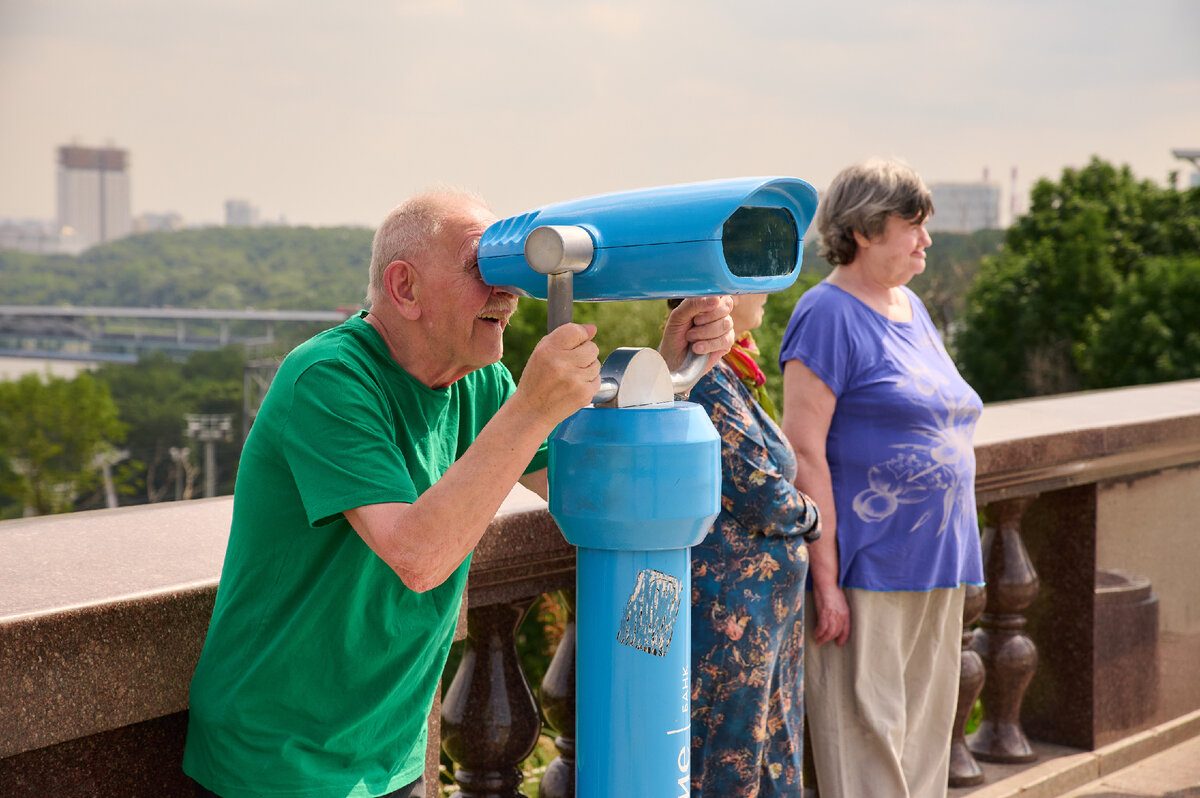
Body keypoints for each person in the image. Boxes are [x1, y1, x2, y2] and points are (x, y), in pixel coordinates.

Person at [182, 188, 735, 798]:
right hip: (277, 759)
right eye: (483, 269)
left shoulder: (480, 383)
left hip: (387, 752)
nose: (510, 291)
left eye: (509, 270)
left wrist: (668, 373)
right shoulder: (329, 379)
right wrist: (530, 409)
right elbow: (417, 558)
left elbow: (595, 494)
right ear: (405, 288)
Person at [777, 159, 984, 798]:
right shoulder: (826, 314)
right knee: (867, 745)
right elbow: (805, 453)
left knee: (924, 742)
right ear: (865, 230)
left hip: (938, 559)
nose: (926, 241)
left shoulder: (911, 306)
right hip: (867, 565)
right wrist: (826, 581)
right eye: (913, 226)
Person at [682, 293, 821, 797]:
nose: (766, 293)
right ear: (723, 297)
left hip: (757, 617)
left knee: (763, 753)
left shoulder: (723, 373)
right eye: (756, 282)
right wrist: (813, 515)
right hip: (732, 619)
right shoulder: (704, 380)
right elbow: (758, 491)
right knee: (730, 759)